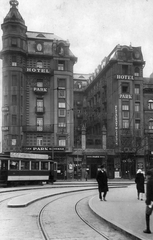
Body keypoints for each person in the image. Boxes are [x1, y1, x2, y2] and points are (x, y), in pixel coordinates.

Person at [143, 169, 153, 234]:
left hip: (151, 202)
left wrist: (148, 201)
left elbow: (149, 193)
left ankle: (148, 229)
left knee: (147, 214)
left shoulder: (149, 182)